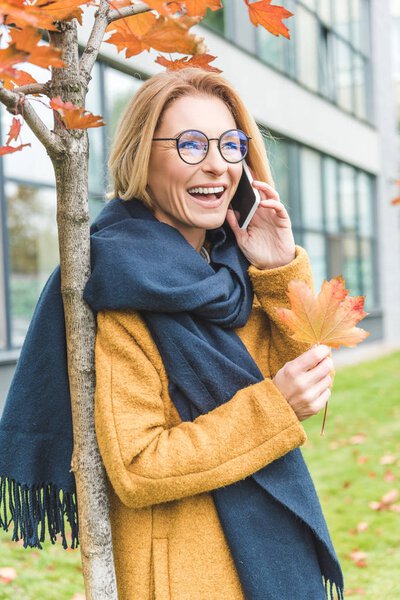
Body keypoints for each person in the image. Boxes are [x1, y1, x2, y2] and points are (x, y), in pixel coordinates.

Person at [86, 68, 344, 600]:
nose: (217, 164)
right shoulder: (118, 285)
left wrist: (278, 271)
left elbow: (307, 391)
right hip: (184, 573)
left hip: (266, 555)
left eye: (231, 145)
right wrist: (273, 408)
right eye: (190, 144)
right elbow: (137, 467)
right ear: (141, 156)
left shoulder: (233, 271)